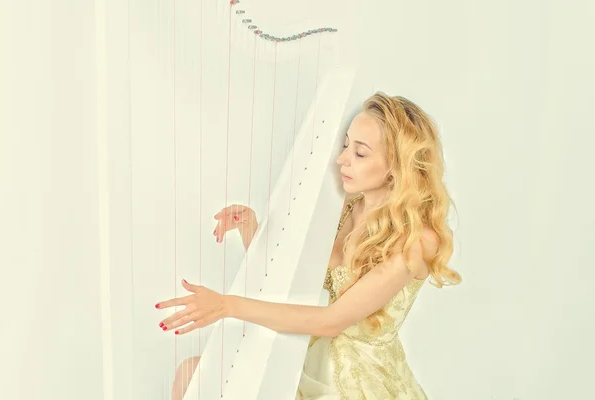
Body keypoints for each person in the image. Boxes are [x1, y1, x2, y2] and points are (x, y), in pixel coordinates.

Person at [156, 92, 462, 399]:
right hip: (305, 356)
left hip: (355, 382)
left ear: (396, 166)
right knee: (191, 374)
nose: (342, 159)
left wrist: (228, 305)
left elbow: (332, 321)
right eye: (345, 145)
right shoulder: (347, 206)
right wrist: (252, 229)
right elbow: (297, 279)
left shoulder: (417, 241)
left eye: (360, 153)